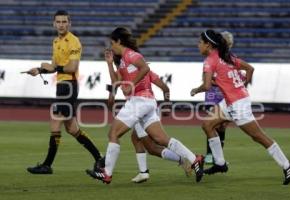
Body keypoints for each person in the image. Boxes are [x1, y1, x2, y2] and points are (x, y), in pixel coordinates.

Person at [86, 27, 204, 184]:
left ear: (119, 41)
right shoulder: (123, 61)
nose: (111, 46)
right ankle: (193, 158)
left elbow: (146, 68)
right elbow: (116, 82)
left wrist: (131, 85)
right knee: (160, 139)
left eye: (112, 43)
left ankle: (107, 173)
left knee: (114, 133)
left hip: (139, 101)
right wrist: (109, 64)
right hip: (147, 103)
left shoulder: (131, 55)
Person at [190, 29, 290, 185]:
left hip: (237, 103)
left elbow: (206, 86)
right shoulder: (227, 56)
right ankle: (220, 163)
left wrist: (195, 90)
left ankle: (287, 165)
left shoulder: (210, 61)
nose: (197, 45)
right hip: (232, 100)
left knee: (258, 136)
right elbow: (250, 69)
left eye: (200, 42)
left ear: (208, 45)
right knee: (207, 124)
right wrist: (242, 86)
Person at [25, 10, 104, 174]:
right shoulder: (56, 42)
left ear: (69, 23)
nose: (61, 24)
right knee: (72, 129)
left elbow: (72, 68)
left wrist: (52, 67)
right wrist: (39, 70)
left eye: (64, 22)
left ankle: (47, 165)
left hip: (69, 86)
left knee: (55, 121)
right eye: (58, 22)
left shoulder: (74, 41)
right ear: (54, 24)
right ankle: (99, 158)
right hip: (62, 85)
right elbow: (54, 68)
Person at [105, 53, 192, 183]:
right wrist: (167, 104)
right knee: (136, 139)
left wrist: (112, 108)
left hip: (140, 109)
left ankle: (183, 159)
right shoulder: (142, 72)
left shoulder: (122, 75)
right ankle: (143, 172)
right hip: (145, 107)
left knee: (152, 147)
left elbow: (111, 100)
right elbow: (165, 87)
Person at [204, 31, 233, 164]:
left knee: (222, 126)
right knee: (212, 124)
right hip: (213, 94)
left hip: (226, 95)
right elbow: (206, 78)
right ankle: (209, 154)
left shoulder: (231, 59)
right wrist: (222, 81)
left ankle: (218, 157)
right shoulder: (211, 58)